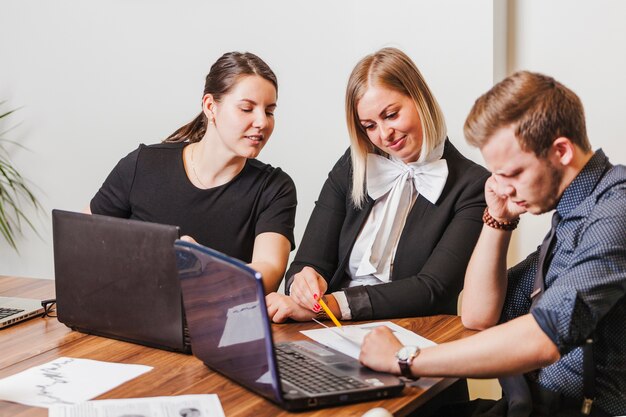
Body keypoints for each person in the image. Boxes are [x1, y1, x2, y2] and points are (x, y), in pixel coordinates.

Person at [359, 71, 626, 417]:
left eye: (512, 173)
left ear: (561, 150)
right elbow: (477, 315)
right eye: (495, 174)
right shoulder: (573, 212)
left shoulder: (614, 211)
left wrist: (406, 359)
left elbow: (542, 337)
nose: (501, 187)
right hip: (532, 405)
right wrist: (498, 220)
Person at [266, 47, 489, 323]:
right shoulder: (353, 164)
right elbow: (307, 262)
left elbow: (433, 289)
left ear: (420, 99)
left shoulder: (473, 185)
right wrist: (303, 285)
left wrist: (333, 305)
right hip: (328, 325)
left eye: (391, 115)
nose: (384, 135)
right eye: (369, 126)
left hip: (416, 334)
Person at [89, 52, 297, 293]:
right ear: (210, 107)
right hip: (131, 313)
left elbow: (269, 270)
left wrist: (208, 267)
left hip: (217, 324)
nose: (262, 122)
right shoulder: (142, 164)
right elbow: (83, 238)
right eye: (247, 108)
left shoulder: (274, 188)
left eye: (269, 111)